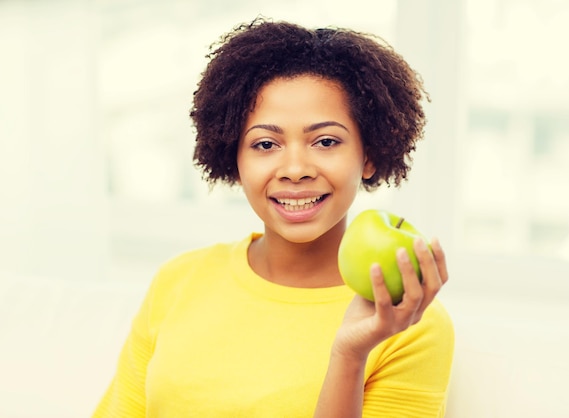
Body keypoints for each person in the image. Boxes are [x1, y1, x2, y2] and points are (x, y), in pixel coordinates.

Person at [93, 17, 454, 418]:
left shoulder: (408, 321)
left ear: (368, 155)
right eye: (265, 143)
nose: (294, 168)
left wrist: (349, 356)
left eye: (326, 141)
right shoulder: (178, 281)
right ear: (235, 156)